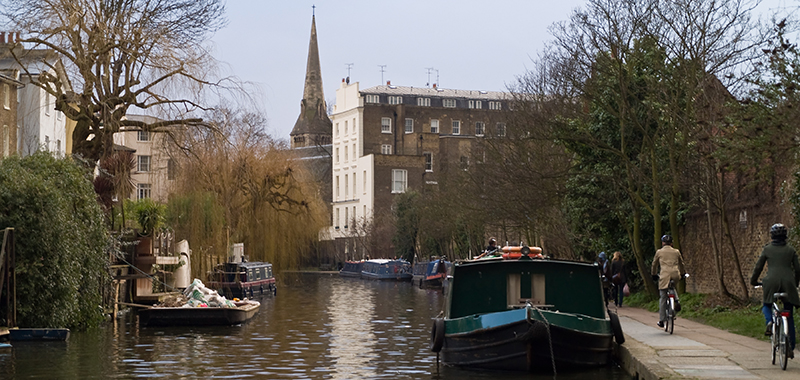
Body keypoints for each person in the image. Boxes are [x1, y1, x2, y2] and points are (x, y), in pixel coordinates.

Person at [749, 223, 800, 359]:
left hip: (770, 282)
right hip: (788, 283)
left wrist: (754, 281)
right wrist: (795, 283)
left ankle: (769, 322)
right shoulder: (791, 250)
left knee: (766, 305)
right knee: (788, 313)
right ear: (785, 236)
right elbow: (798, 269)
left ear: (772, 236)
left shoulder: (767, 249)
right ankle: (791, 346)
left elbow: (758, 267)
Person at [651, 234, 686, 328]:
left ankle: (662, 320)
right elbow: (681, 263)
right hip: (675, 274)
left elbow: (654, 264)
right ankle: (677, 300)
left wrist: (654, 274)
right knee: (672, 286)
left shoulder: (659, 252)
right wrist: (682, 273)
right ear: (671, 243)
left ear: (663, 243)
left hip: (664, 275)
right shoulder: (676, 251)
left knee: (663, 296)